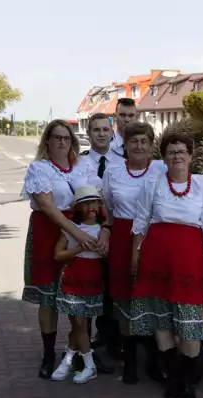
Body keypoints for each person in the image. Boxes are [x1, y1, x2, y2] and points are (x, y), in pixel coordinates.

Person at [130, 132, 203, 398]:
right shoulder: (154, 183)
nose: (176, 157)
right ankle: (174, 381)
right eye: (171, 152)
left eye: (182, 151)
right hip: (155, 261)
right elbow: (141, 220)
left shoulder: (202, 186)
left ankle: (186, 379)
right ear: (164, 157)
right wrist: (135, 256)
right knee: (162, 323)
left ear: (191, 155)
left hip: (188, 263)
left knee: (189, 327)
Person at [20, 119, 95, 380]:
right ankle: (48, 354)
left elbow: (95, 198)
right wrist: (76, 233)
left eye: (66, 137)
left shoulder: (83, 167)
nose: (62, 142)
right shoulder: (39, 169)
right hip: (48, 232)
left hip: (77, 229)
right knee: (49, 298)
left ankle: (80, 354)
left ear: (73, 142)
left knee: (80, 296)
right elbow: (48, 206)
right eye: (57, 137)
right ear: (48, 141)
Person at [101, 122, 167, 384]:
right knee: (125, 300)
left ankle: (153, 361)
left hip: (154, 237)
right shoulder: (113, 171)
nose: (139, 146)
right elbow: (107, 205)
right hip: (122, 237)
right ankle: (129, 362)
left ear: (152, 145)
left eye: (144, 141)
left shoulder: (162, 169)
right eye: (133, 141)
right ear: (125, 145)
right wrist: (106, 229)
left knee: (151, 299)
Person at [74, 112, 123, 370]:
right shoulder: (79, 162)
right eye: (96, 130)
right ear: (89, 133)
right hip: (87, 233)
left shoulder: (123, 161)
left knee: (112, 287)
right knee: (86, 287)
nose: (101, 133)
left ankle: (112, 339)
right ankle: (85, 347)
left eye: (105, 129)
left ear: (112, 132)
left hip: (117, 231)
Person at [51, 184, 105, 384]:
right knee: (78, 322)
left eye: (94, 202)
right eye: (86, 203)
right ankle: (90, 365)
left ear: (100, 205)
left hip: (92, 281)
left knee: (80, 324)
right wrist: (77, 250)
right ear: (78, 207)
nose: (91, 206)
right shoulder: (71, 228)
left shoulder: (102, 230)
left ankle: (68, 358)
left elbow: (108, 254)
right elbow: (57, 254)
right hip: (73, 280)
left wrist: (103, 249)